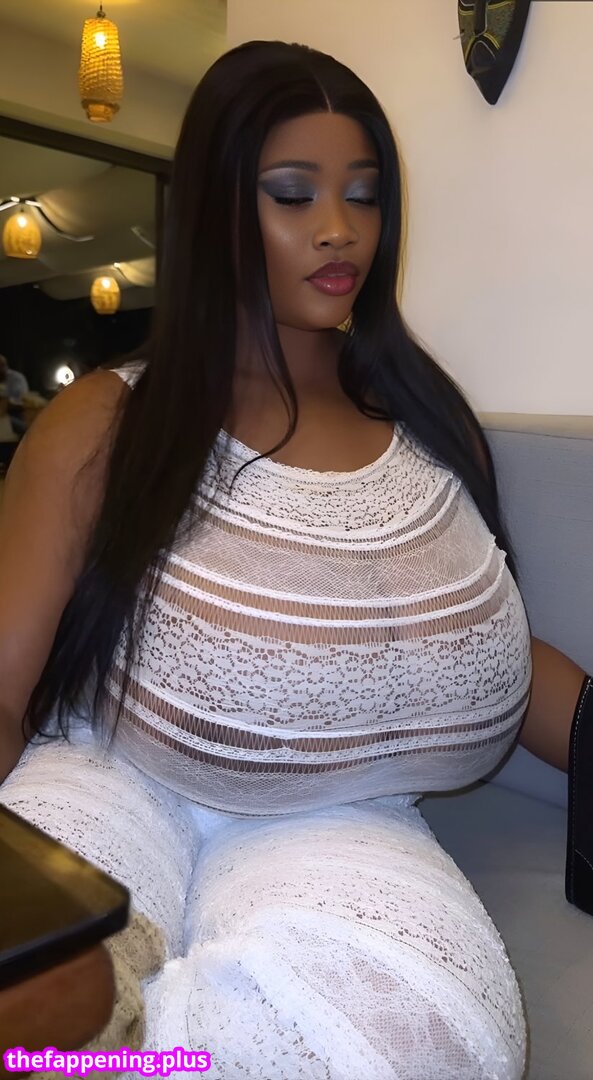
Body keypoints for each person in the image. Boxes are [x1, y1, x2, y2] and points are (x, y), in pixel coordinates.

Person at [0, 40, 586, 1080]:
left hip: (347, 819)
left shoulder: (427, 420)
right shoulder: (107, 420)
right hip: (114, 777)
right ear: (217, 209)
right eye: (290, 193)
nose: (337, 229)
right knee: (34, 989)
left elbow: (482, 643)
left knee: (431, 1041)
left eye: (363, 195)